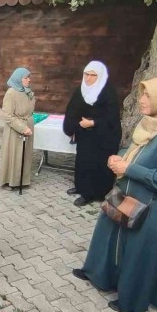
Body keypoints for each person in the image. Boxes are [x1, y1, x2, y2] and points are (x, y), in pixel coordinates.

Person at [73, 73, 157, 312]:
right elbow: (137, 150)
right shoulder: (153, 122)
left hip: (155, 206)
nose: (141, 99)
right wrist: (121, 157)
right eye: (143, 93)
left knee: (140, 251)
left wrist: (128, 169)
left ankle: (131, 301)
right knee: (108, 234)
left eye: (148, 95)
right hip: (130, 194)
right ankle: (98, 275)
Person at [63, 61, 121, 206]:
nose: (88, 78)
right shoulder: (81, 90)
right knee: (83, 161)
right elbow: (72, 110)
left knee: (99, 164)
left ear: (100, 76)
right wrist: (71, 128)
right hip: (85, 134)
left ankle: (94, 194)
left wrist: (93, 122)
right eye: (86, 74)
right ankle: (82, 187)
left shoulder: (108, 92)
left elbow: (112, 116)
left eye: (93, 75)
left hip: (104, 137)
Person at [0, 67, 35, 189]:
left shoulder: (27, 91)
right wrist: (21, 127)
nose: (29, 80)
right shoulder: (11, 93)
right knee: (14, 154)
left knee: (25, 154)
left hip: (27, 125)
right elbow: (7, 115)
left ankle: (23, 180)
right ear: (19, 79)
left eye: (29, 77)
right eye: (26, 78)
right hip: (15, 129)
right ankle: (11, 181)